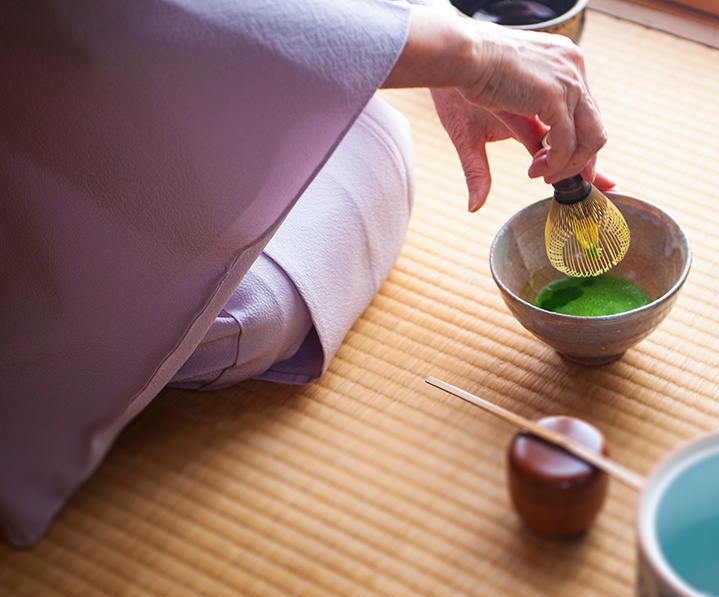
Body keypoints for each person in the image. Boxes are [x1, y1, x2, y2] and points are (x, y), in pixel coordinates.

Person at [0, 0, 614, 547]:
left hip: (142, 77)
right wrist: (461, 50)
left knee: (373, 139)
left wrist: (412, 27)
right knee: (260, 306)